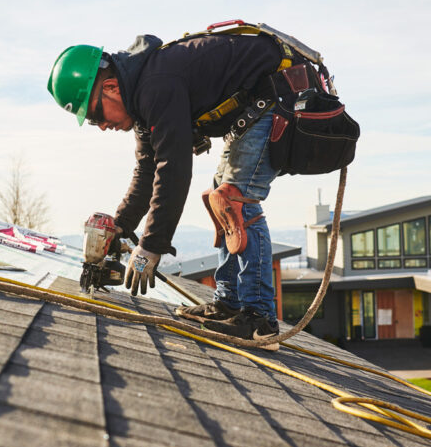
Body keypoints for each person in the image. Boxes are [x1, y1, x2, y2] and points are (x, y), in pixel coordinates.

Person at [47, 30, 286, 344]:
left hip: (275, 96)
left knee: (235, 199)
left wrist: (150, 247)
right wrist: (119, 228)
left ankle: (259, 318)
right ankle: (230, 303)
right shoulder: (140, 99)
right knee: (223, 197)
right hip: (252, 108)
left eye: (95, 115)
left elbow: (173, 169)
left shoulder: (156, 85)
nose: (102, 126)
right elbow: (148, 171)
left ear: (110, 87)